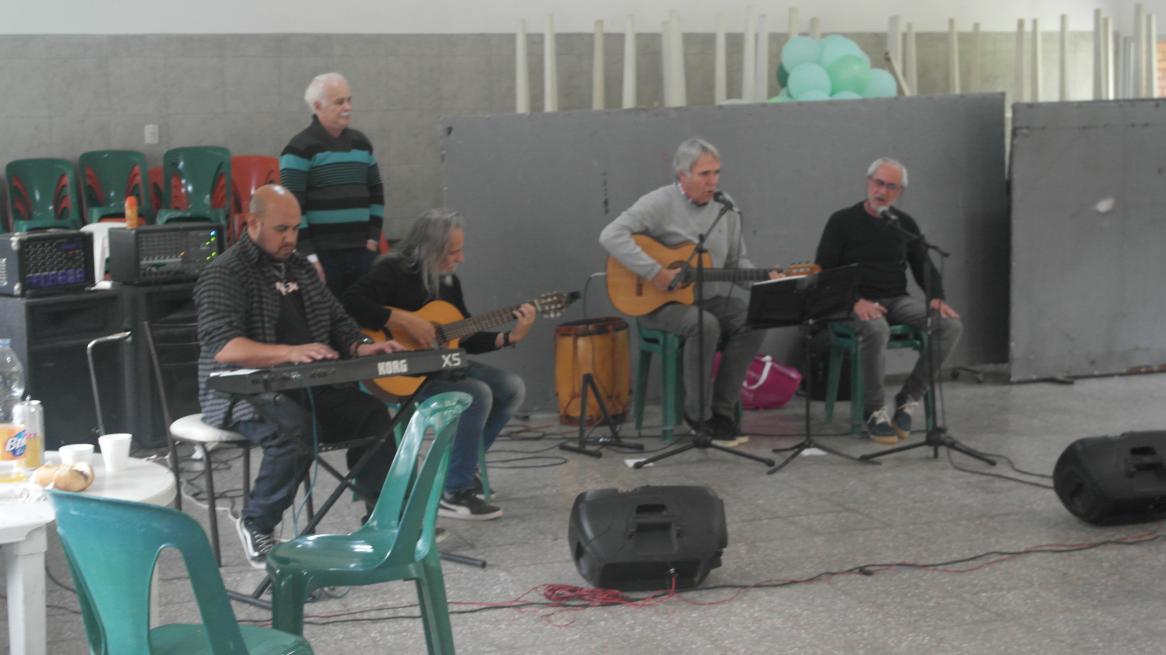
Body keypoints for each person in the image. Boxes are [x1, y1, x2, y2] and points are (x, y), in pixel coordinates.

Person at [195, 184, 404, 567]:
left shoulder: (300, 268)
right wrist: (288, 353)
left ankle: (382, 520)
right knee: (295, 433)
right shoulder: (224, 273)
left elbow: (338, 320)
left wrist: (361, 346)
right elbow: (223, 345)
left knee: (372, 415)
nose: (291, 238)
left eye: (295, 229)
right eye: (281, 229)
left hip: (307, 384)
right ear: (252, 223)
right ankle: (257, 521)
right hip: (241, 391)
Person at [342, 208, 533, 521]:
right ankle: (454, 492)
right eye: (453, 251)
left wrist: (509, 337)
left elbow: (462, 336)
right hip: (399, 373)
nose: (460, 258)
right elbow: (349, 302)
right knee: (477, 393)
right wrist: (400, 318)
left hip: (439, 366)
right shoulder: (392, 271)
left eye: (460, 250)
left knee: (511, 388)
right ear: (428, 250)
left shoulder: (448, 282)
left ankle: (458, 472)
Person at [599, 137, 776, 445]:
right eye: (704, 174)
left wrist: (768, 281)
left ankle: (721, 412)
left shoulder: (726, 208)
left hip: (707, 299)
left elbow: (736, 262)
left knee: (753, 318)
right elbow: (611, 235)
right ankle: (697, 415)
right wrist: (654, 272)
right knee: (703, 325)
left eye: (716, 173)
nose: (713, 181)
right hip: (658, 305)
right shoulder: (660, 202)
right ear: (683, 176)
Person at [815, 157, 963, 445]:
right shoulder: (841, 221)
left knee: (950, 325)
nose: (882, 190)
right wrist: (855, 301)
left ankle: (908, 397)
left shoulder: (902, 224)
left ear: (899, 193)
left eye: (890, 186)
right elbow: (825, 273)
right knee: (876, 329)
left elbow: (923, 265)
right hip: (851, 304)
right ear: (868, 183)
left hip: (896, 300)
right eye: (878, 183)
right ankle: (873, 410)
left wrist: (936, 297)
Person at [280, 72, 383, 296]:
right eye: (339, 102)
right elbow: (293, 209)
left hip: (362, 251)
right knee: (327, 322)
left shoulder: (361, 143)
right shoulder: (299, 148)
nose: (347, 107)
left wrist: (373, 240)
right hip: (323, 256)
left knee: (365, 319)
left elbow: (376, 193)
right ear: (318, 105)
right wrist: (310, 256)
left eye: (349, 99)